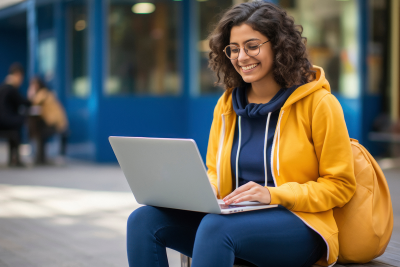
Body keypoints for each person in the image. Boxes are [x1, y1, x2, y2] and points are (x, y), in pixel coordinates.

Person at [126, 2, 356, 267]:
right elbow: (214, 169)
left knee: (216, 228)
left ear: (279, 46)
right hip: (232, 220)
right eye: (234, 49)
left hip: (300, 223)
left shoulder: (319, 103)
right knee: (143, 220)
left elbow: (340, 186)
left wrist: (272, 194)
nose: (242, 57)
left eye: (252, 45)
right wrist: (207, 189)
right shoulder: (227, 105)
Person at [27, 77, 68, 164]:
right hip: (55, 123)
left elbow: (32, 103)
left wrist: (31, 92)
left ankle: (40, 158)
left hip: (55, 124)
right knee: (37, 130)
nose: (33, 86)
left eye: (34, 85)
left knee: (37, 131)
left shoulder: (43, 94)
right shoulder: (48, 93)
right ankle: (41, 158)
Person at [0, 63, 31, 166]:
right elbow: (23, 102)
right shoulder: (11, 88)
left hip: (3, 121)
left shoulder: (3, 86)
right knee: (21, 121)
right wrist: (32, 96)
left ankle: (13, 158)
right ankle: (16, 159)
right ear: (17, 75)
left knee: (17, 123)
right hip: (5, 121)